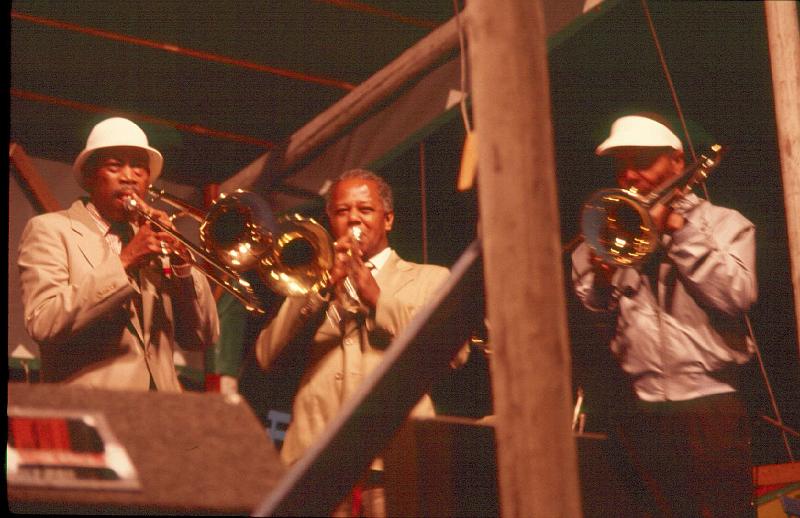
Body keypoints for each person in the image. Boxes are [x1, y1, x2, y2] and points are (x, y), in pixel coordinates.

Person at [571, 114, 757, 517]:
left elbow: (735, 296)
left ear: (676, 161)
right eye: (622, 165)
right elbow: (591, 325)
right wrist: (601, 282)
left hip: (711, 406)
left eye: (642, 161)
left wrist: (679, 230)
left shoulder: (724, 223)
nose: (630, 176)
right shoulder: (609, 227)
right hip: (639, 409)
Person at [254, 169, 452, 516]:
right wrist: (319, 289)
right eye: (342, 211)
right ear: (330, 220)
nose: (353, 219)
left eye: (365, 209)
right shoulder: (312, 281)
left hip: (393, 459)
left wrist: (376, 297)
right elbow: (266, 353)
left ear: (387, 219)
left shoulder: (428, 278)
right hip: (314, 458)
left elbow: (452, 349)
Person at [18, 117, 220, 392]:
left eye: (139, 167)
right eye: (115, 166)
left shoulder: (155, 238)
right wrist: (124, 262)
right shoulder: (51, 229)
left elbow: (201, 337)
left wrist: (183, 266)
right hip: (87, 412)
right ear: (89, 177)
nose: (129, 176)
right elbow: (44, 322)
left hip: (160, 415)